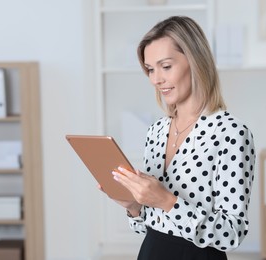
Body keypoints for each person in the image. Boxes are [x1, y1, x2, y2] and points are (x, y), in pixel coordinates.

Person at [109, 16, 256, 260]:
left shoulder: (230, 133)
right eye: (150, 69)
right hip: (151, 251)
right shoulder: (156, 130)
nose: (156, 79)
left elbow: (232, 233)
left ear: (196, 62)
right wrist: (134, 207)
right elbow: (151, 225)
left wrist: (167, 201)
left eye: (166, 66)